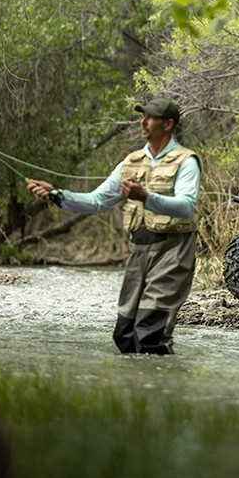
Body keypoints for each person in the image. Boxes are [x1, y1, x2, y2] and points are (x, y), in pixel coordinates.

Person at [26, 97, 200, 355]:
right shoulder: (130, 162)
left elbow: (186, 206)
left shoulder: (186, 161)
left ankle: (163, 390)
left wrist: (146, 197)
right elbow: (97, 201)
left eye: (149, 117)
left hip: (173, 253)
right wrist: (57, 195)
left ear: (168, 124)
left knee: (150, 333)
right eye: (143, 116)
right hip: (138, 253)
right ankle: (136, 391)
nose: (143, 121)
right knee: (125, 336)